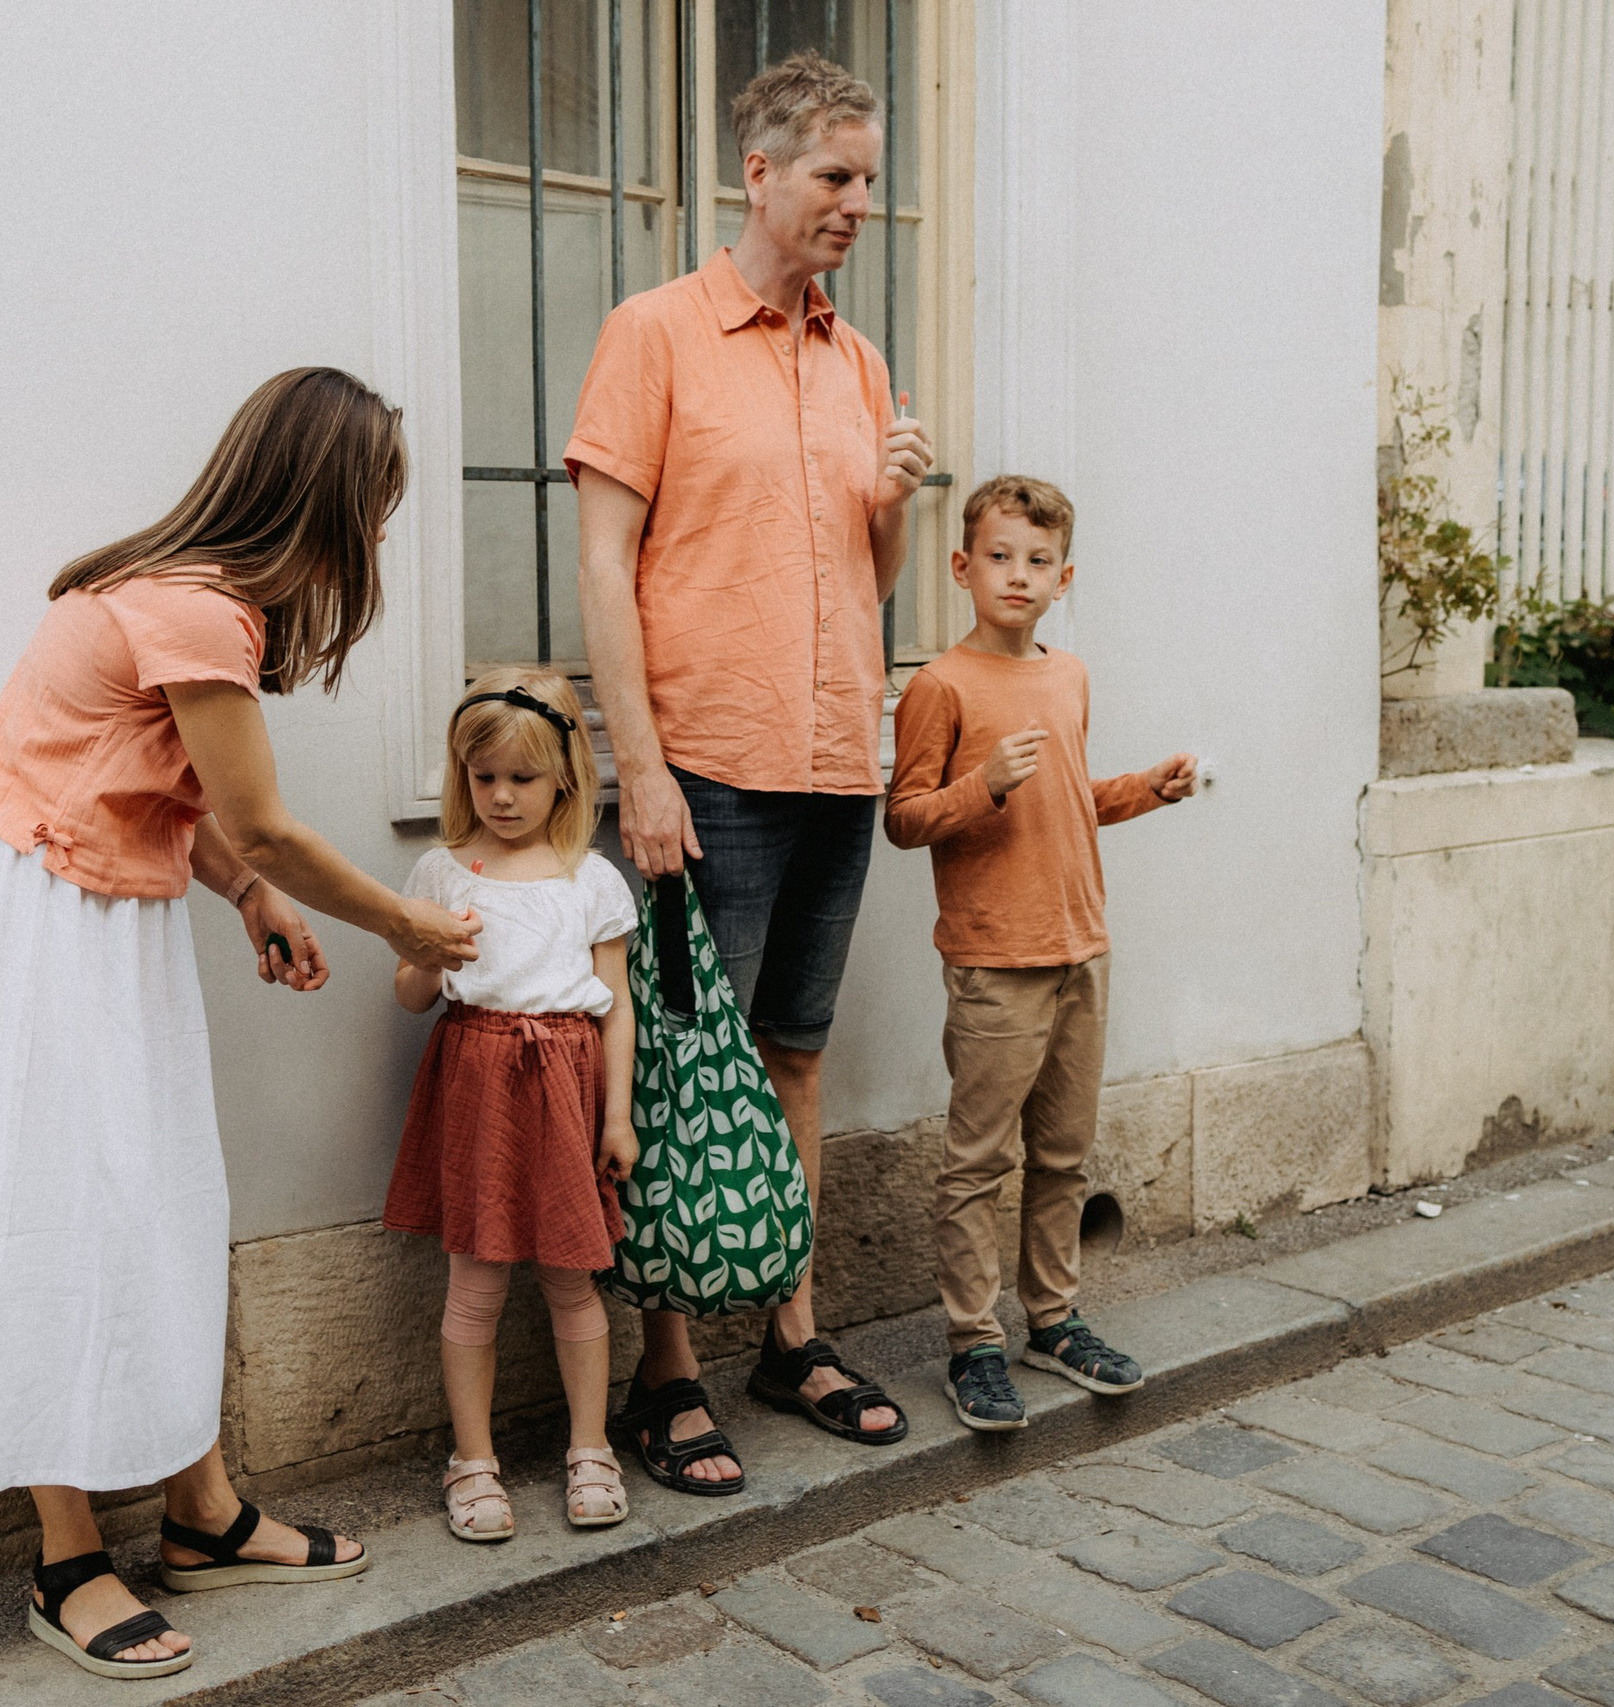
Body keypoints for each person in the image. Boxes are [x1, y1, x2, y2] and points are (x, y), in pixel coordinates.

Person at [0, 367, 481, 1679]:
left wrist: (250, 893)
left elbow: (167, 798)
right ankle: (68, 1556)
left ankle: (200, 1512)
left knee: (156, 1206)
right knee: (61, 1220)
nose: (372, 537)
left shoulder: (180, 593)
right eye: (374, 505)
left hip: (92, 920)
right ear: (323, 494)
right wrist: (402, 923)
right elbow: (253, 811)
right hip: (40, 932)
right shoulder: (199, 610)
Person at [566, 50, 930, 1493]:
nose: (857, 204)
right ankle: (668, 1375)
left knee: (793, 1053)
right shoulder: (654, 333)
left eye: (869, 181)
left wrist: (896, 509)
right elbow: (604, 561)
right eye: (838, 177)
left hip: (838, 755)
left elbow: (870, 569)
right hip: (704, 763)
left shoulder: (858, 359)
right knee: (674, 1067)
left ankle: (791, 1330)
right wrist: (637, 767)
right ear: (761, 174)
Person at [884, 476, 1198, 1431]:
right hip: (994, 961)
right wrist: (981, 785)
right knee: (978, 1160)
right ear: (962, 565)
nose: (1015, 576)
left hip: (1081, 946)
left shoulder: (1068, 676)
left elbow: (1067, 799)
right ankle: (973, 1341)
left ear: (1063, 577)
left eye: (1036, 561)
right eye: (998, 556)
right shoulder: (940, 685)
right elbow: (903, 821)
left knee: (1062, 1154)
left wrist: (1146, 787)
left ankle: (1051, 1320)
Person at [385, 669, 640, 1542]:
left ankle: (590, 1447)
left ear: (564, 775)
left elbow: (618, 1004)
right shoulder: (441, 869)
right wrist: (432, 947)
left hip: (567, 1083)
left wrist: (618, 1118)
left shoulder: (590, 878)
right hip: (478, 1078)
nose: (499, 795)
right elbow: (412, 995)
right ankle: (473, 1460)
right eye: (482, 776)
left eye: (520, 779)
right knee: (476, 1278)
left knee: (574, 1277)